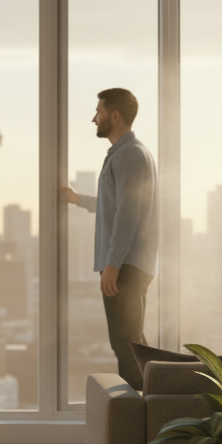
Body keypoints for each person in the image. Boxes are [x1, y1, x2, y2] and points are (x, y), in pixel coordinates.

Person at [60, 88, 159, 391]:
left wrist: (112, 265)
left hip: (125, 265)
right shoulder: (129, 153)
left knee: (125, 343)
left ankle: (142, 409)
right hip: (129, 264)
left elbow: (127, 215)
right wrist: (77, 199)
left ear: (115, 115)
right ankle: (149, 405)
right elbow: (113, 204)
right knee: (133, 341)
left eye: (99, 111)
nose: (94, 118)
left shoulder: (129, 155)